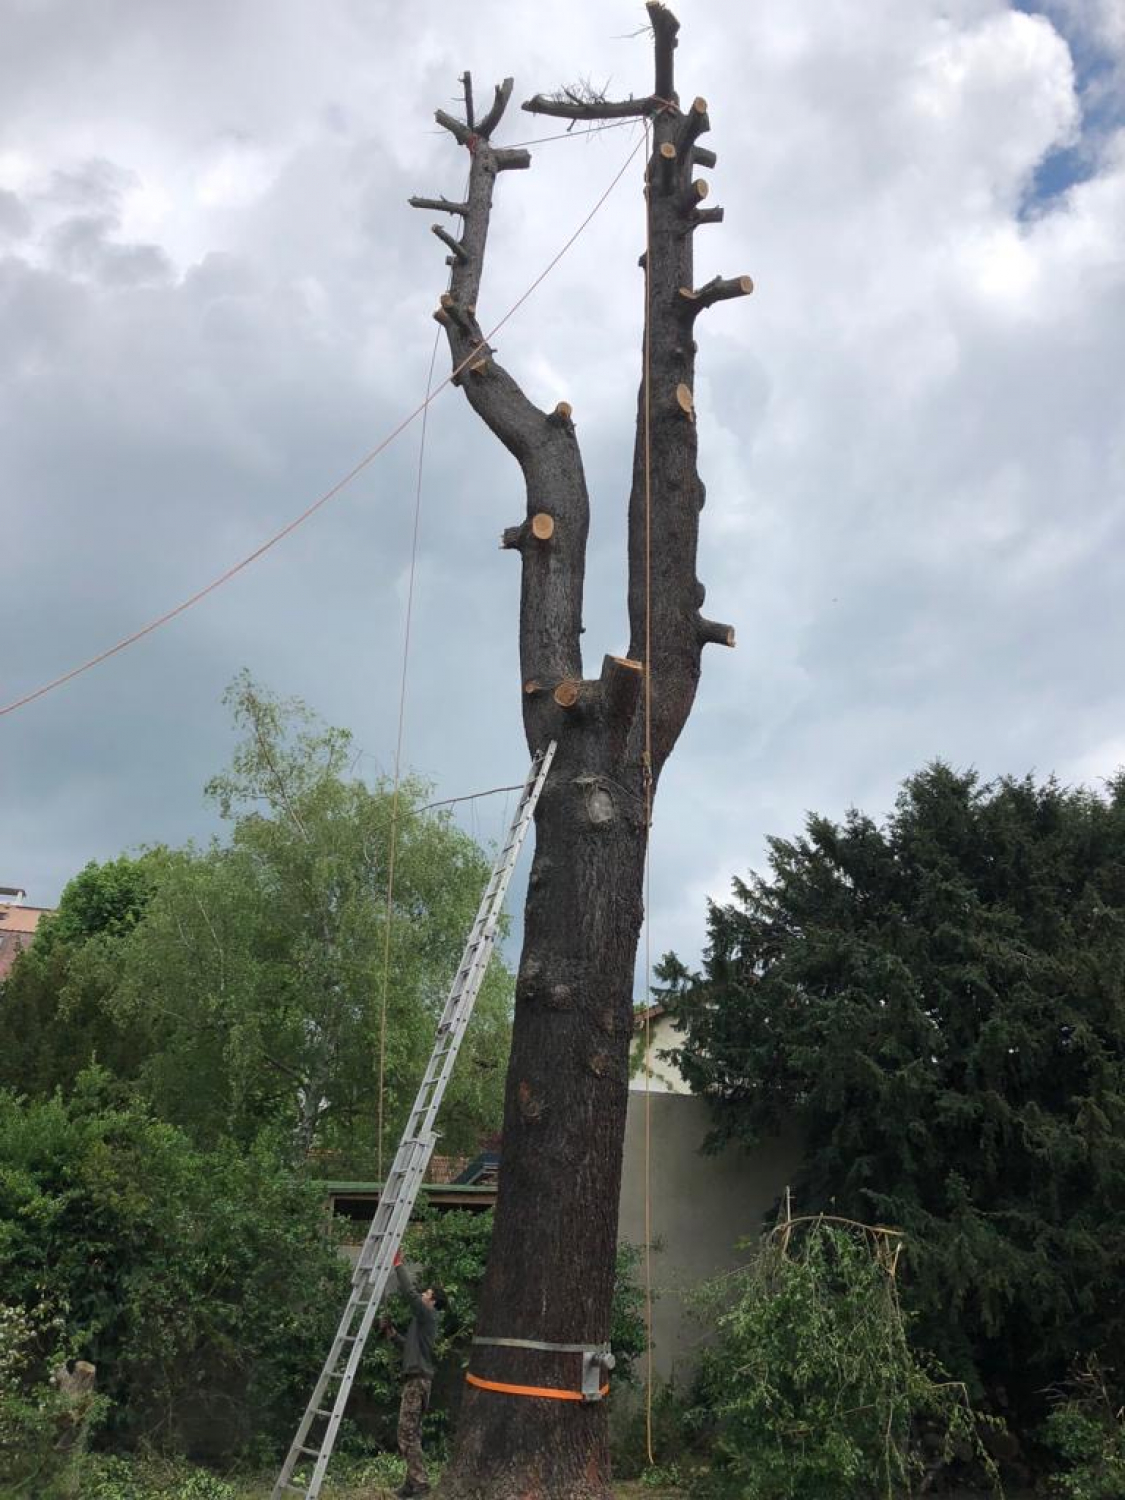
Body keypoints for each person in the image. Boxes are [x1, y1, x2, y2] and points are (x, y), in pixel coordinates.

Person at [383, 1248, 446, 1499]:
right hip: (418, 1380)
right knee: (412, 1433)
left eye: (426, 1294)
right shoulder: (421, 1323)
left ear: (432, 1302)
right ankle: (411, 1484)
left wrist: (398, 1264)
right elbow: (408, 1346)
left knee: (406, 1433)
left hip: (417, 1382)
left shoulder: (427, 1314)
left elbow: (409, 1294)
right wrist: (391, 1334)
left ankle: (420, 1484)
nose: (422, 1295)